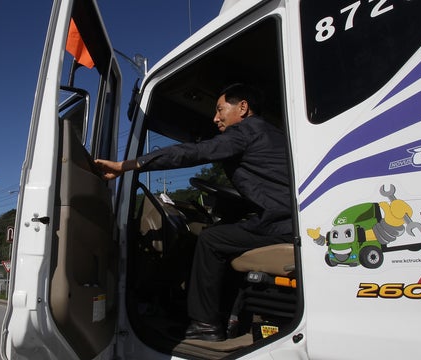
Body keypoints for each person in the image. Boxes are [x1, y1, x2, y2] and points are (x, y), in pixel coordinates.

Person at [95, 83, 292, 341]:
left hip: (281, 223)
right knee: (223, 234)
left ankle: (205, 324)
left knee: (211, 239)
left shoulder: (245, 131)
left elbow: (193, 152)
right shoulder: (272, 133)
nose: (215, 118)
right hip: (291, 219)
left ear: (243, 107)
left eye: (220, 109)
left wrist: (126, 165)